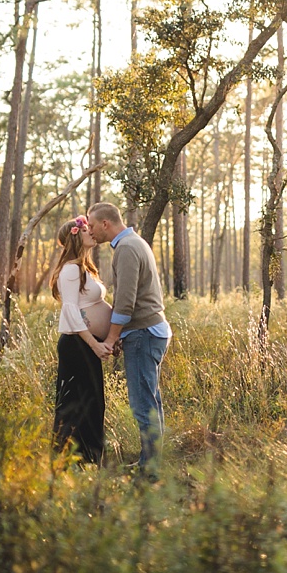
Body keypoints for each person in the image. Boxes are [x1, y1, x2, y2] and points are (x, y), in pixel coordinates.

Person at [86, 202, 171, 478]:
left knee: (142, 404)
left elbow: (125, 303)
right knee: (150, 400)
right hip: (147, 332)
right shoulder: (133, 243)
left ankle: (151, 470)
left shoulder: (126, 248)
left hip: (145, 333)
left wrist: (111, 339)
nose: (90, 230)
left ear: (106, 224)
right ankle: (151, 460)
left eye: (92, 225)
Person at [50, 214, 115, 464]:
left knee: (93, 402)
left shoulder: (84, 268)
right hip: (77, 346)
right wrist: (95, 344)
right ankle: (70, 460)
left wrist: (109, 338)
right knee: (75, 404)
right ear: (75, 238)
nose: (91, 232)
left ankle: (89, 459)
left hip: (87, 345)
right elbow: (70, 311)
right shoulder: (69, 270)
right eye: (86, 230)